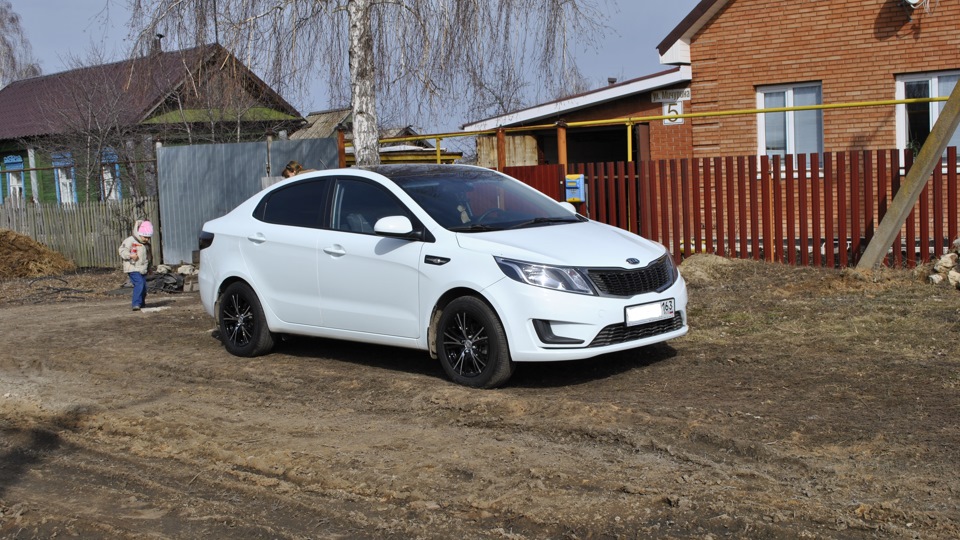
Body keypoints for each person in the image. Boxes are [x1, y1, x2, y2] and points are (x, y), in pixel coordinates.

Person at [119, 219, 153, 311]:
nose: (147, 239)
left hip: (143, 268)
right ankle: (136, 303)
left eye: (148, 237)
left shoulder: (146, 245)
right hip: (132, 267)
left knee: (144, 287)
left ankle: (141, 303)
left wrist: (149, 267)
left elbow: (149, 257)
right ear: (139, 233)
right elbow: (122, 250)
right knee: (139, 283)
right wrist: (129, 255)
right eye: (145, 237)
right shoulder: (130, 240)